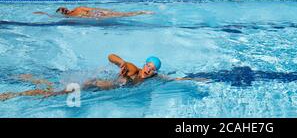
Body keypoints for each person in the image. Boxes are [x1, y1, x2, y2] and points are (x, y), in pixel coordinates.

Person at [0, 54, 206, 101]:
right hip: (98, 85)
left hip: (103, 88)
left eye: (152, 68)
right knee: (56, 93)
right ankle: (12, 94)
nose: (149, 70)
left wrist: (194, 80)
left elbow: (172, 80)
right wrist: (122, 63)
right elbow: (111, 56)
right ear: (143, 64)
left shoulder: (153, 78)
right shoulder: (134, 69)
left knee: (56, 90)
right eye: (148, 65)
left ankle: (29, 83)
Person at [33, 7, 154, 19]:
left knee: (122, 14)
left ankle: (142, 12)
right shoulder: (70, 18)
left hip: (98, 14)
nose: (65, 10)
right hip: (96, 18)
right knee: (122, 16)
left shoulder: (78, 8)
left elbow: (91, 9)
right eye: (62, 11)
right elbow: (52, 16)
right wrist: (43, 13)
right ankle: (141, 12)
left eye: (64, 8)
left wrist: (105, 11)